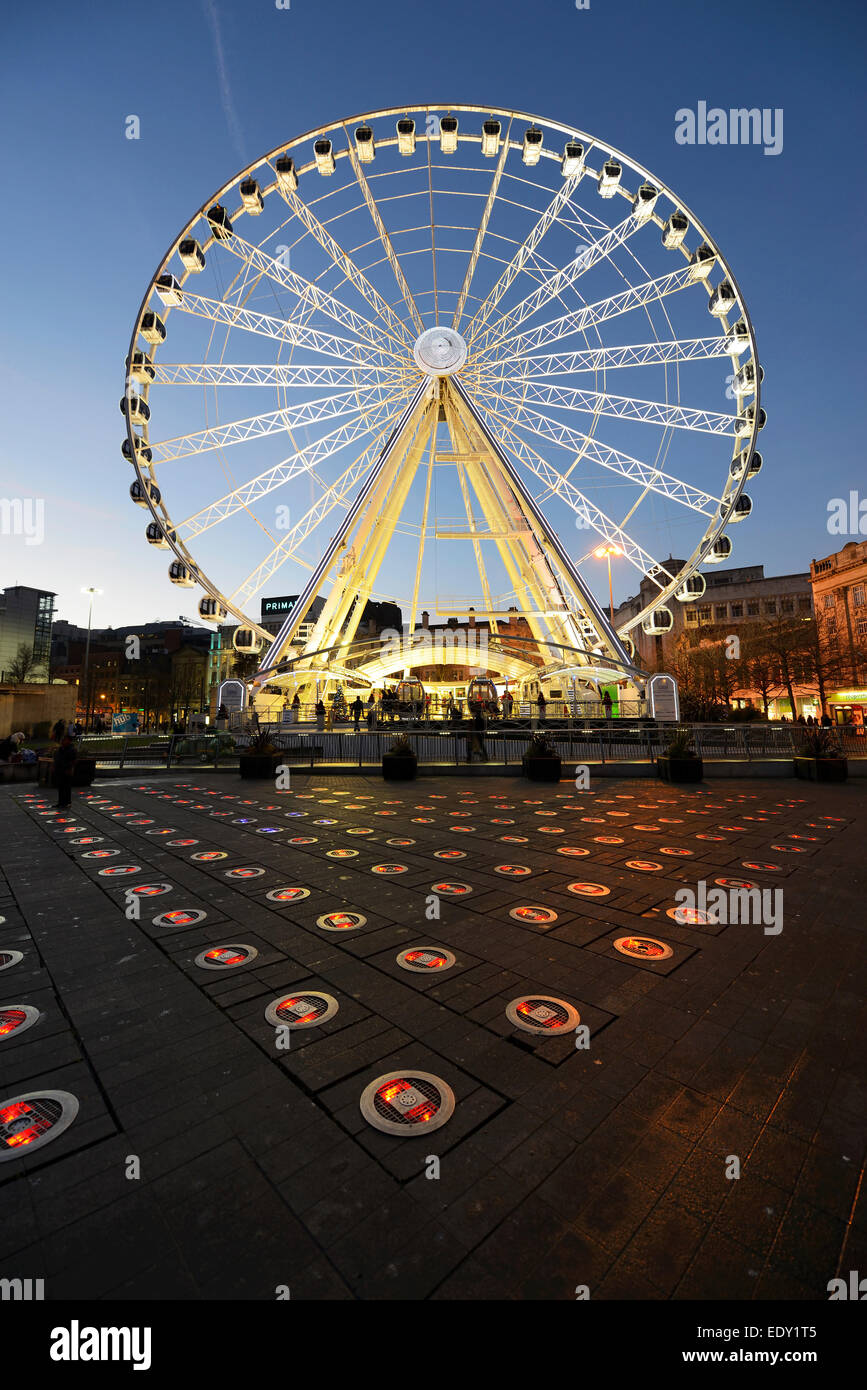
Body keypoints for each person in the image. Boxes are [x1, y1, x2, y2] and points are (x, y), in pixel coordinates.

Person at [54, 735, 77, 809]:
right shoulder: (61, 749)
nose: (63, 741)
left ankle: (67, 802)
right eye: (62, 740)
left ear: (69, 741)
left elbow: (73, 760)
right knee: (60, 787)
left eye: (65, 740)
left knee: (66, 787)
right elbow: (57, 758)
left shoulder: (71, 749)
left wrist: (69, 768)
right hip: (60, 770)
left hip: (66, 770)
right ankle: (60, 802)